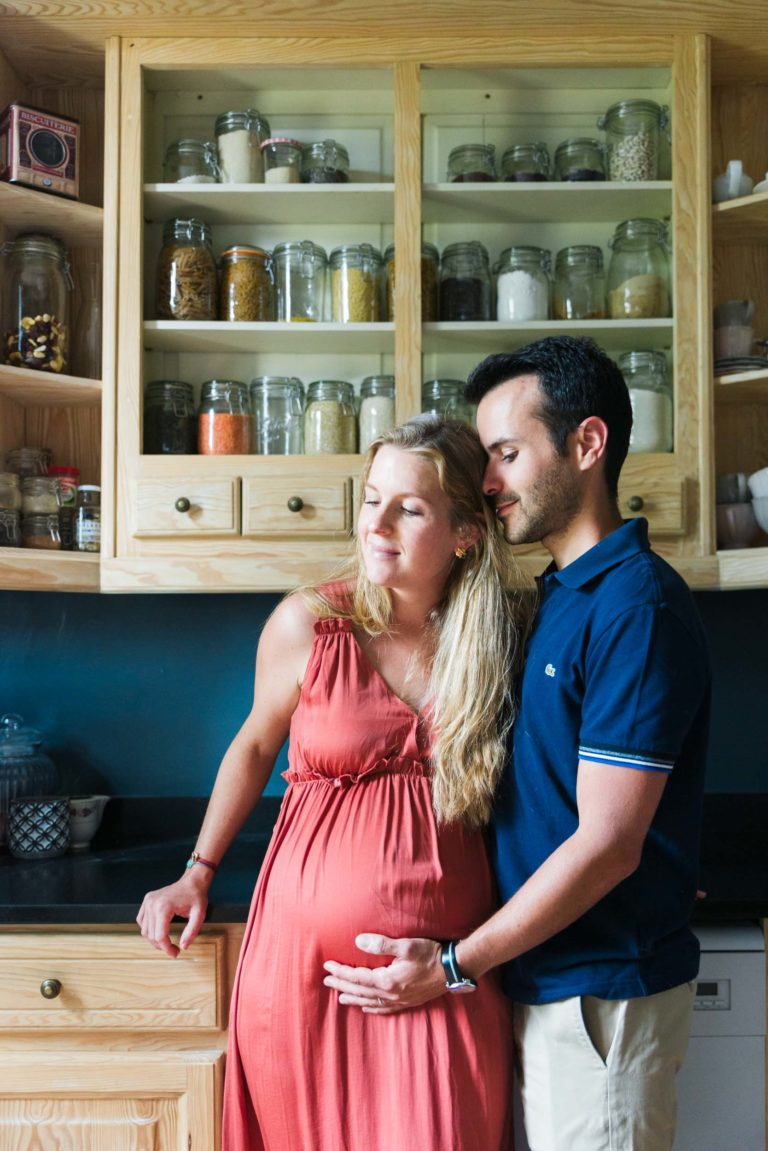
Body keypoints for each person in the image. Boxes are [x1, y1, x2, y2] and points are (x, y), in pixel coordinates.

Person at [323, 336, 712, 1151]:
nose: (490, 479)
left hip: (599, 999)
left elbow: (607, 843)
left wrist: (457, 962)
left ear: (587, 444)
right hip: (547, 984)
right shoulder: (558, 595)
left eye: (507, 452)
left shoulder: (636, 609)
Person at [137, 415, 526, 1151]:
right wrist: (197, 870)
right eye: (371, 497)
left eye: (408, 507)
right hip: (305, 976)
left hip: (446, 972)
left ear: (466, 532)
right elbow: (254, 744)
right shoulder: (309, 623)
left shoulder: (503, 634)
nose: (376, 523)